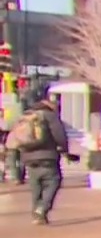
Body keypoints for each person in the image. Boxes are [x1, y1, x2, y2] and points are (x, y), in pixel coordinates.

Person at [12, 84, 77, 224]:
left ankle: (37, 213)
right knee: (53, 181)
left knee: (35, 185)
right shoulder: (49, 115)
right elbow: (60, 135)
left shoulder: (26, 115)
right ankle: (42, 209)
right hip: (48, 156)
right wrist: (65, 150)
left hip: (28, 157)